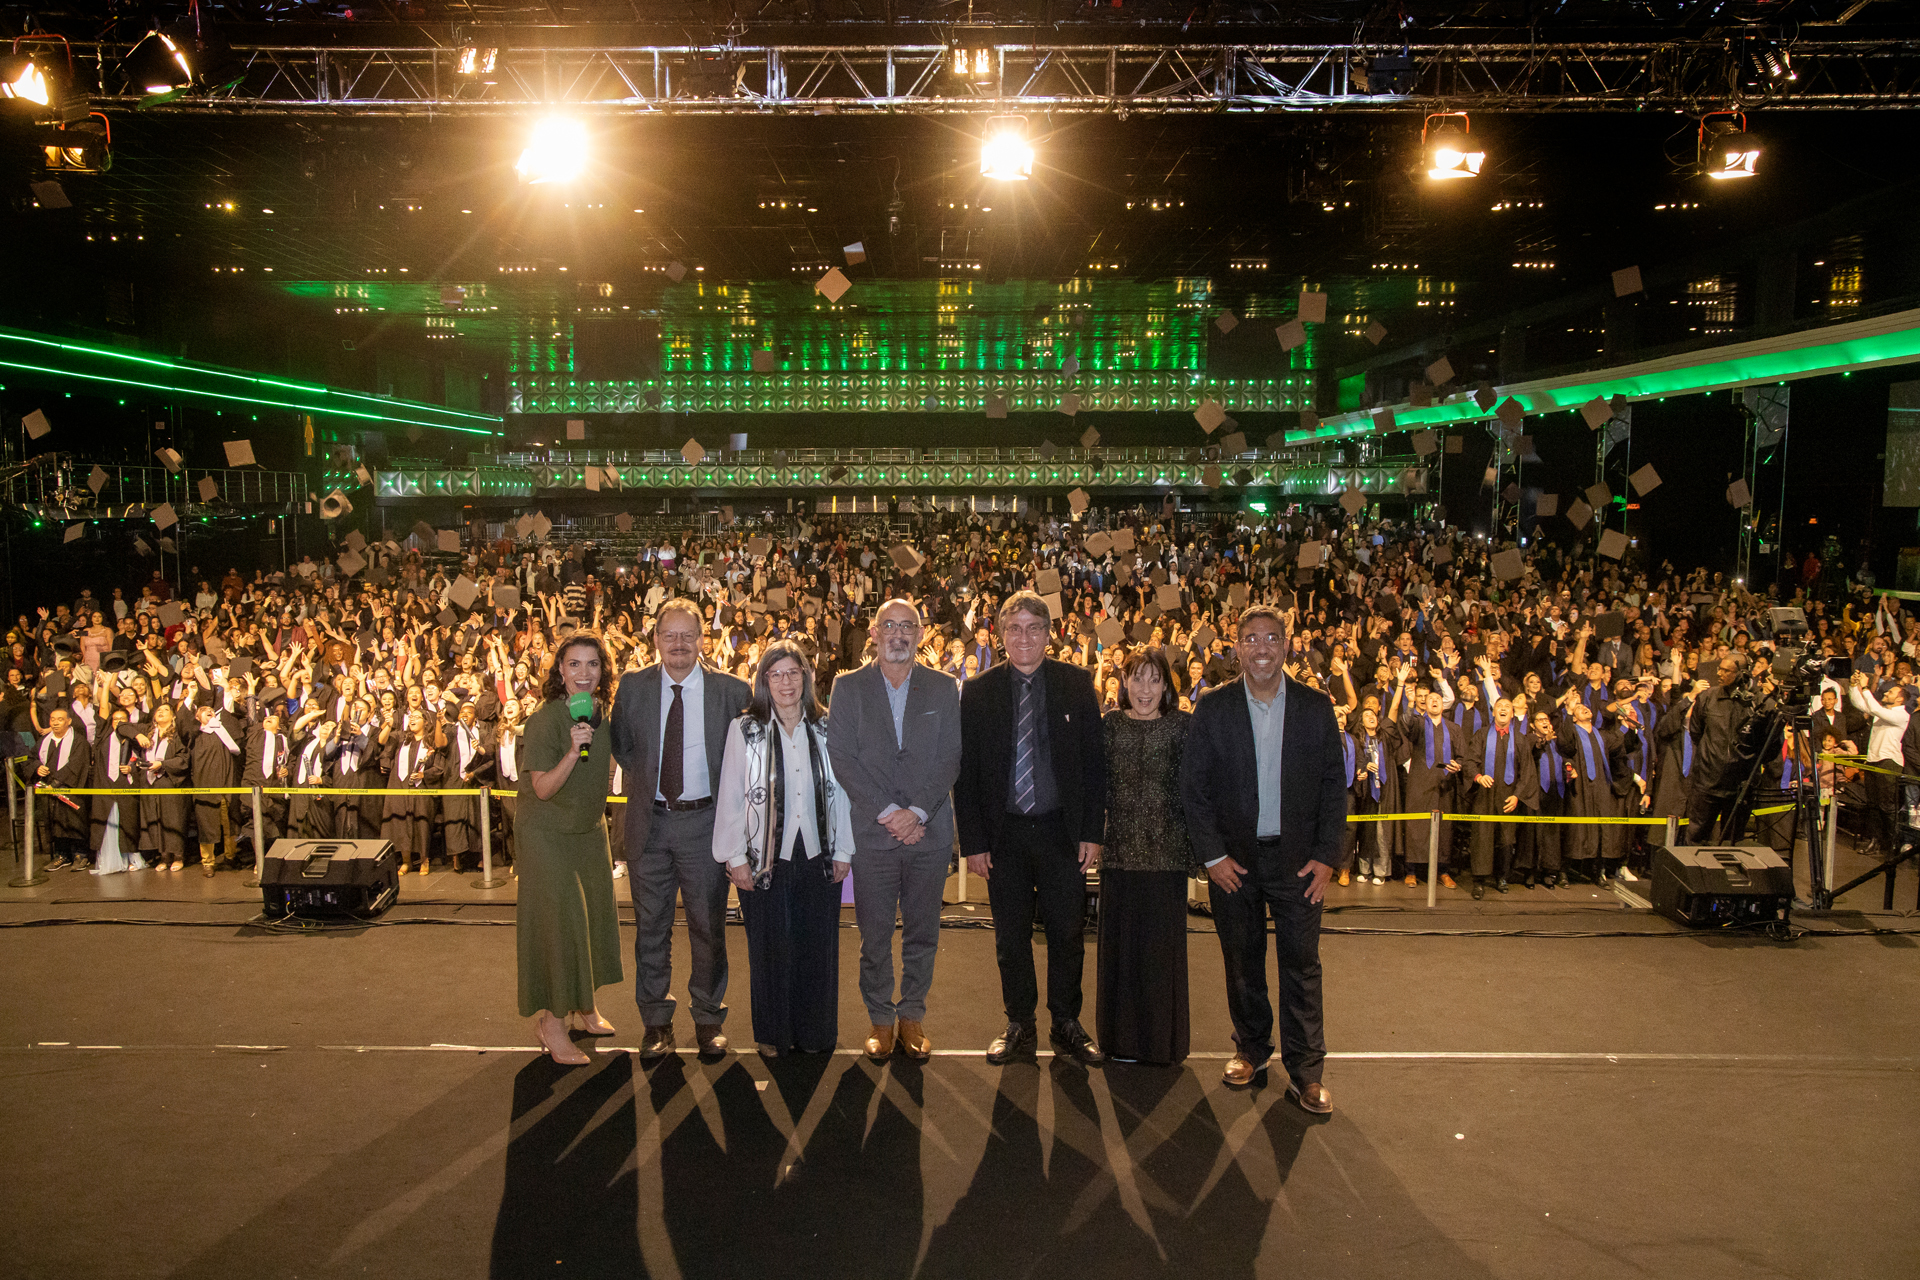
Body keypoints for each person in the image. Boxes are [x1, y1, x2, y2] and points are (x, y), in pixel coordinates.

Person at [1180, 605, 1348, 1113]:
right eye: (1251, 638)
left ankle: (1306, 1071)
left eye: (1271, 638)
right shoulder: (1213, 707)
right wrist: (1212, 856)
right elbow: (1195, 789)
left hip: (1298, 865)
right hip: (1235, 864)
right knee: (1242, 963)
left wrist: (1325, 858)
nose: (1261, 647)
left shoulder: (1316, 707)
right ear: (1236, 648)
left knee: (1302, 966)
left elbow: (1332, 788)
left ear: (1287, 644)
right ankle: (1250, 1050)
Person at [956, 591, 1107, 1067]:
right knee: (1010, 938)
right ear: (1002, 636)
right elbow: (968, 774)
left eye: (1033, 628)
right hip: (1005, 838)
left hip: (1063, 833)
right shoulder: (978, 692)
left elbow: (1094, 766)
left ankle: (1066, 1023)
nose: (1024, 636)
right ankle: (1019, 1022)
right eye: (1015, 628)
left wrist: (1092, 831)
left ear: (1047, 634)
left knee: (1066, 933)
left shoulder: (1077, 684)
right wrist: (974, 843)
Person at [610, 598, 752, 1060]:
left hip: (705, 826)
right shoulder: (632, 689)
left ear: (700, 640)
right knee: (650, 928)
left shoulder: (732, 691)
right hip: (649, 826)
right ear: (654, 639)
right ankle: (655, 1022)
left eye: (686, 635)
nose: (678, 644)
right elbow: (625, 750)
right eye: (668, 635)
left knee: (708, 927)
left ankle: (708, 1019)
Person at [824, 597, 962, 1064]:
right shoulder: (847, 687)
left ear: (920, 634)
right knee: (875, 935)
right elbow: (841, 758)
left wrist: (918, 812)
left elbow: (950, 759)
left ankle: (912, 1017)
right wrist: (890, 812)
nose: (898, 634)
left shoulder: (944, 688)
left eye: (907, 627)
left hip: (928, 835)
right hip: (875, 834)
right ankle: (881, 1019)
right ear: (875, 632)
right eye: (890, 626)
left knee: (923, 933)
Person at [711, 641, 855, 1057]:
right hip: (762, 856)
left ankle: (816, 1032)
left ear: (807, 678)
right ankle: (773, 1033)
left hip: (819, 853)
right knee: (769, 947)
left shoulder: (829, 726)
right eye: (776, 674)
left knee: (818, 946)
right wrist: (734, 857)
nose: (786, 682)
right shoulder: (745, 729)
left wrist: (844, 848)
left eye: (794, 672)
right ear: (763, 680)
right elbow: (732, 795)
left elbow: (843, 792)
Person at [516, 632, 623, 1066]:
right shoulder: (545, 722)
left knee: (592, 921)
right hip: (548, 837)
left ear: (603, 672)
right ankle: (552, 1024)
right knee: (561, 930)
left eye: (592, 665)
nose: (583, 673)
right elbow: (540, 788)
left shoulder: (603, 716)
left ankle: (585, 1007)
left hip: (588, 832)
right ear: (560, 670)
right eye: (574, 665)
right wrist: (573, 750)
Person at [1094, 647, 1191, 1065]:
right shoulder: (1109, 726)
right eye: (1137, 679)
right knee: (1120, 952)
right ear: (1124, 683)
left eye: (1154, 679)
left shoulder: (1184, 727)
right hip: (1117, 855)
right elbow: (1092, 786)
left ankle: (1160, 1044)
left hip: (1167, 857)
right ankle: (1119, 1042)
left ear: (1167, 685)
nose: (1145, 689)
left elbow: (1198, 792)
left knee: (1160, 955)